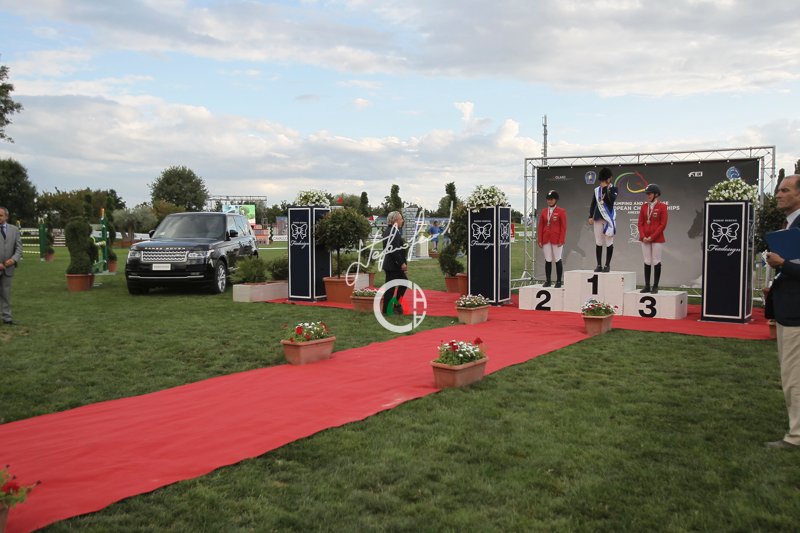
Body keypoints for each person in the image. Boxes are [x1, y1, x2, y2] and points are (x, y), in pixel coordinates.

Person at [765, 174, 800, 449]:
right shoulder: (789, 224)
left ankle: (796, 436)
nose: (778, 194)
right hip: (787, 308)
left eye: (785, 190)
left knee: (794, 378)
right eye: (778, 189)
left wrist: (782, 264)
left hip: (796, 313)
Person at [637, 183, 668, 293]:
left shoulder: (662, 207)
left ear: (656, 194)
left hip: (657, 239)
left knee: (656, 261)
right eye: (647, 194)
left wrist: (652, 237)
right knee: (647, 261)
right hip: (645, 239)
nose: (648, 195)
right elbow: (640, 223)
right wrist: (643, 236)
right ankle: (647, 286)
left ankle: (655, 286)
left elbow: (663, 225)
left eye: (650, 194)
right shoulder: (644, 206)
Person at [588, 167, 618, 272]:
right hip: (597, 218)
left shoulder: (613, 189)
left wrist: (606, 188)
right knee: (598, 242)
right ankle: (599, 265)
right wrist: (590, 216)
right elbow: (593, 203)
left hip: (608, 219)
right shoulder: (597, 190)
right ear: (608, 178)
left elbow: (611, 200)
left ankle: (607, 265)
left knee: (609, 241)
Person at [537, 190, 567, 288]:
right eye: (548, 199)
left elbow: (563, 227)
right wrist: (540, 239)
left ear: (556, 200)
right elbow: (540, 226)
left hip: (557, 239)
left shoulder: (561, 211)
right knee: (548, 259)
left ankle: (558, 281)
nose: (549, 201)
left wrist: (561, 240)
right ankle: (548, 280)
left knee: (557, 259)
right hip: (546, 239)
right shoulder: (543, 211)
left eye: (551, 199)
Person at [381, 211, 408, 315]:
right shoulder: (393, 232)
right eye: (401, 219)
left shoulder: (389, 230)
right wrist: (402, 263)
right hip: (393, 265)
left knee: (392, 287)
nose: (402, 221)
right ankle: (394, 307)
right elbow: (395, 251)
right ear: (395, 220)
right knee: (396, 286)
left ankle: (390, 308)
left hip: (391, 264)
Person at [0, 206, 23, 325]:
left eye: (0, 215)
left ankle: (7, 318)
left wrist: (13, 260)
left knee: (6, 293)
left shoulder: (14, 230)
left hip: (8, 268)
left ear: (6, 216)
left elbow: (19, 248)